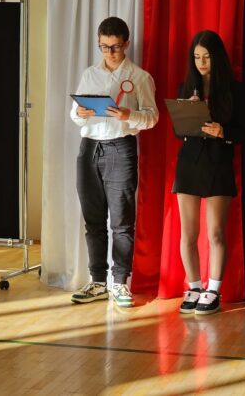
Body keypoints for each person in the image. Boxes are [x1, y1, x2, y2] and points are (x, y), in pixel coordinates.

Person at [70, 17, 158, 307]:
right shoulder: (90, 74)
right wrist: (80, 113)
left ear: (126, 44)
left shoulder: (139, 77)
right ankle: (97, 281)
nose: (109, 53)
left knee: (121, 221)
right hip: (89, 148)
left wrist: (127, 115)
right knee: (93, 220)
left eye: (115, 47)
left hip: (121, 148)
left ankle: (120, 283)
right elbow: (74, 114)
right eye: (104, 47)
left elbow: (152, 117)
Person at [173, 30, 245, 315]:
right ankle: (194, 286)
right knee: (188, 233)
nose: (201, 63)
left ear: (217, 58)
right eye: (196, 57)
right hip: (189, 164)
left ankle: (213, 289)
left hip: (218, 164)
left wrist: (223, 131)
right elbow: (178, 133)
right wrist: (188, 115)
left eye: (206, 57)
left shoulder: (234, 90)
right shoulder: (186, 87)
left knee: (215, 232)